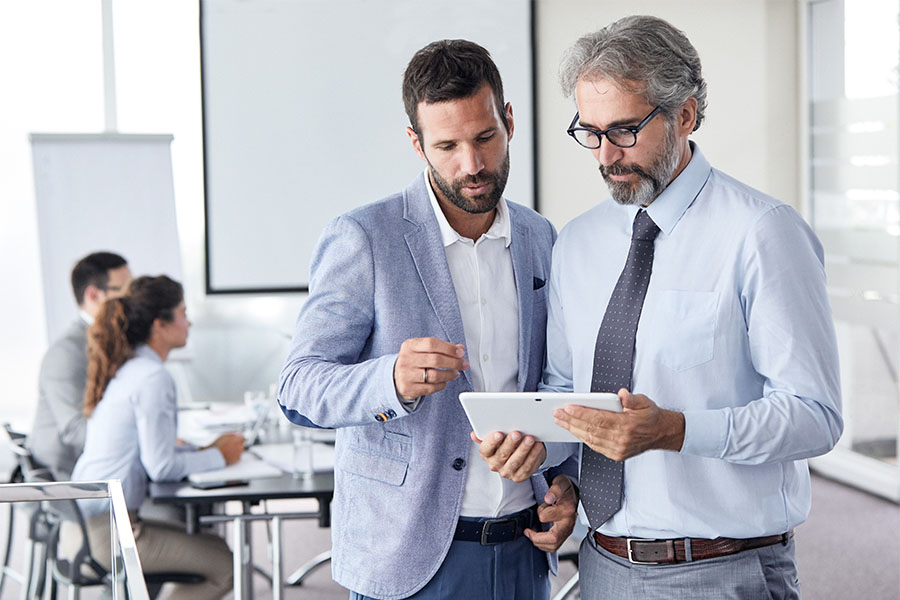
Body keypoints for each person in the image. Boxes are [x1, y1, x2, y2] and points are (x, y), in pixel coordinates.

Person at [541, 15, 843, 599]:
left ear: (686, 114)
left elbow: (814, 414)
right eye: (591, 131)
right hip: (599, 567)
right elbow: (563, 389)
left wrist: (677, 430)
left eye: (626, 129)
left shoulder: (762, 233)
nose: (606, 154)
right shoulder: (578, 242)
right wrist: (556, 469)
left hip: (721, 571)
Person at [278, 39, 578, 600]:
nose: (473, 165)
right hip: (407, 562)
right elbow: (297, 388)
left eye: (485, 137)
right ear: (416, 144)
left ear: (508, 121)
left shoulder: (541, 238)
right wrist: (390, 379)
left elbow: (554, 388)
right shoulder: (364, 237)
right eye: (447, 145)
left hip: (524, 556)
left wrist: (562, 473)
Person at [69, 275, 242, 600]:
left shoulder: (130, 368)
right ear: (159, 325)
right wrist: (222, 456)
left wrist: (201, 449)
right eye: (182, 312)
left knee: (214, 546)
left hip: (89, 524)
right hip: (110, 532)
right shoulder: (152, 377)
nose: (189, 322)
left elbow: (152, 451)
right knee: (228, 565)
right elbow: (160, 467)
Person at [27, 251, 132, 480]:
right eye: (124, 291)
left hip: (96, 470)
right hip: (67, 481)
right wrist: (138, 441)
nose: (131, 302)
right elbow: (75, 431)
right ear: (94, 295)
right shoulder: (66, 352)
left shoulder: (111, 341)